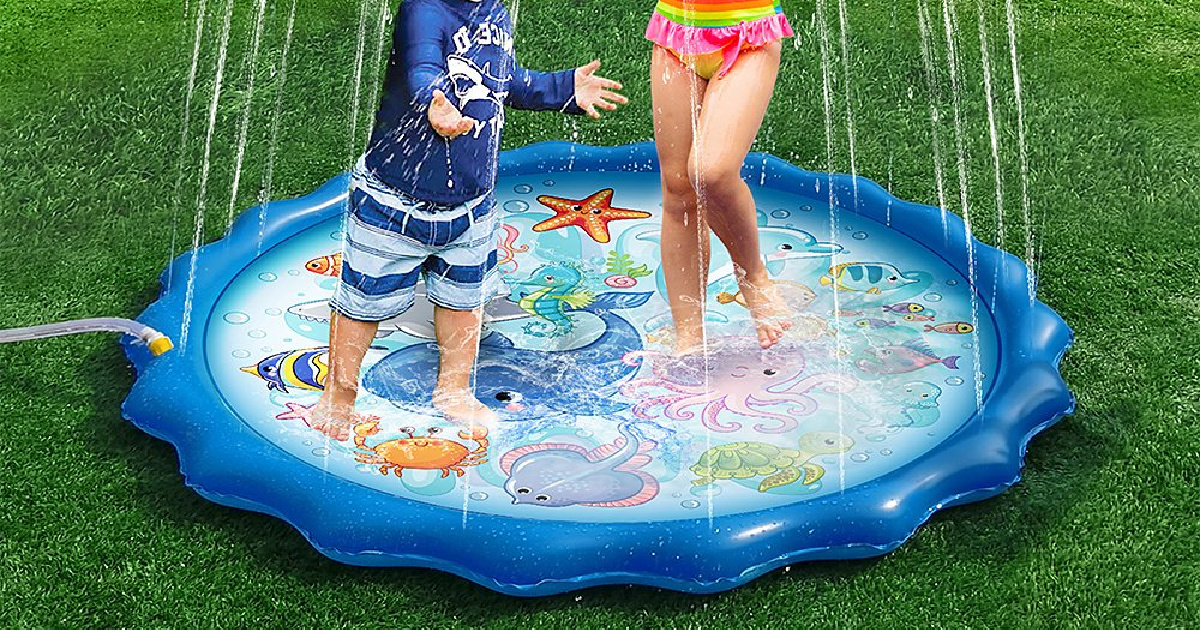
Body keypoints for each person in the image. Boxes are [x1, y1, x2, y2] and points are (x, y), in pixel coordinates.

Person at [306, 0, 627, 439]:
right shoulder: (426, 8)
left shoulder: (492, 11)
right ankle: (339, 394)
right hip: (394, 202)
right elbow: (422, 65)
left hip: (471, 204)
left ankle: (452, 389)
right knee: (362, 303)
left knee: (464, 302)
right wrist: (434, 104)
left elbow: (498, 79)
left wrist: (561, 89)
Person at [646, 0, 795, 351]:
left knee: (710, 171)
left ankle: (754, 278)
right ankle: (689, 333)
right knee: (679, 188)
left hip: (748, 31)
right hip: (675, 29)